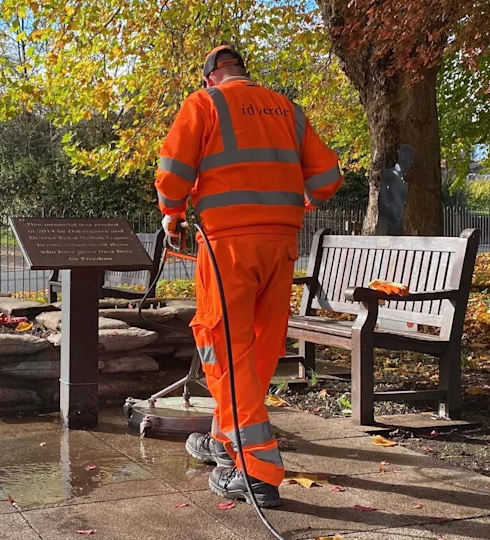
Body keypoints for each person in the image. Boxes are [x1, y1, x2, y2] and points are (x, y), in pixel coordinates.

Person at [155, 45, 343, 507]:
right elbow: (327, 179)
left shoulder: (204, 104)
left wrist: (171, 214)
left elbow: (173, 174)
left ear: (209, 78)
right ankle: (224, 440)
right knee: (258, 349)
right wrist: (296, 207)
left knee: (221, 346)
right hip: (280, 248)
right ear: (243, 73)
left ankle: (257, 472)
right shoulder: (288, 109)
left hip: (228, 248)